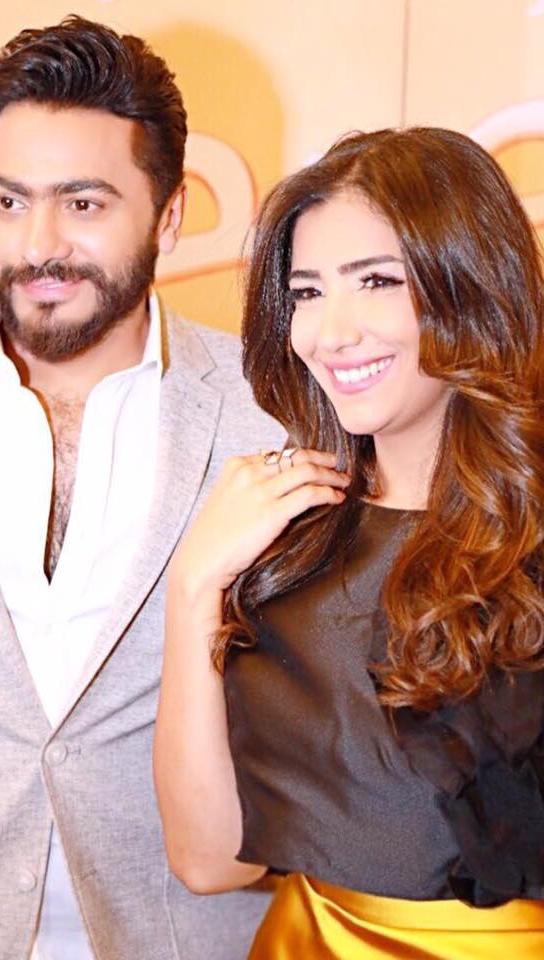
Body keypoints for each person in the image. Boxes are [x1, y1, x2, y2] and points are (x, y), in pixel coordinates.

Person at [154, 127, 544, 957]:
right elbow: (208, 860)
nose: (330, 333)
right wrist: (192, 588)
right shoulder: (286, 537)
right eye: (307, 291)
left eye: (377, 280)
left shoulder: (531, 538)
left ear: (468, 284)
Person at [0, 15, 283, 960]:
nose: (39, 245)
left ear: (169, 216)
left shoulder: (273, 413)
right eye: (8, 201)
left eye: (84, 203)